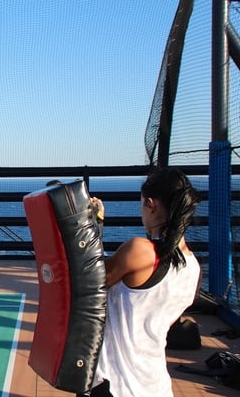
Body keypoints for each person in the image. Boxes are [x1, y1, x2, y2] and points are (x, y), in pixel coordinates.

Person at [80, 168, 201, 397]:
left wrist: (91, 224)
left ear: (150, 204)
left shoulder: (140, 251)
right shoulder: (194, 269)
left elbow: (85, 280)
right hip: (155, 385)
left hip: (115, 384)